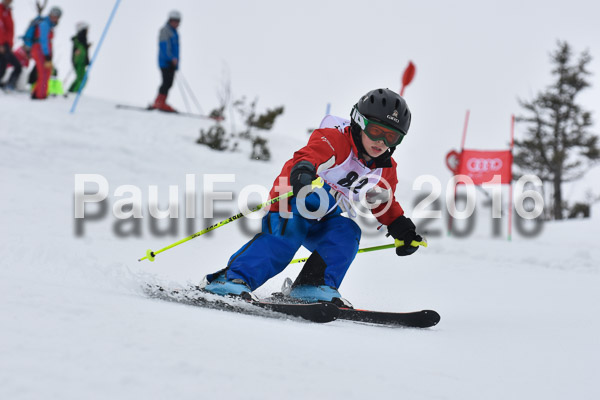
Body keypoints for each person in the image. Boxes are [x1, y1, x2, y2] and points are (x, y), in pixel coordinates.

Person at [201, 88, 424, 306]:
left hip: (324, 217)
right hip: (293, 204)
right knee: (286, 237)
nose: (382, 142)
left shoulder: (384, 169)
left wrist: (400, 227)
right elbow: (310, 155)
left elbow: (383, 201)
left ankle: (312, 285)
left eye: (391, 137)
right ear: (359, 122)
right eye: (376, 131)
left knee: (347, 233)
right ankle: (231, 279)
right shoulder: (335, 139)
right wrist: (303, 171)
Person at [151, 10, 180, 112]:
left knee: (169, 83)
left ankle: (162, 101)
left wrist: (175, 63)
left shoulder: (175, 33)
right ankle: (159, 102)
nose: (176, 23)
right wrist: (171, 58)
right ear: (170, 20)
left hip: (172, 63)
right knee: (166, 82)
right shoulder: (165, 31)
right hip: (165, 62)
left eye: (178, 21)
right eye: (174, 21)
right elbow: (164, 47)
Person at [30, 5, 61, 99]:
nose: (56, 19)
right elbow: (43, 40)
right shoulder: (45, 24)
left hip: (42, 50)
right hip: (40, 50)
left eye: (57, 17)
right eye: (55, 16)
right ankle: (40, 95)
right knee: (43, 72)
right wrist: (47, 55)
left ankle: (38, 92)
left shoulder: (48, 24)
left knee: (46, 72)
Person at [0, 0, 21, 91]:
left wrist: (11, 45)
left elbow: (9, 30)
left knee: (3, 66)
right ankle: (9, 85)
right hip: (2, 44)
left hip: (7, 44)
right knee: (17, 66)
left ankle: (6, 85)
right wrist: (1, 44)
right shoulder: (1, 10)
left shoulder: (7, 11)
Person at [68, 21, 90, 93]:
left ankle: (71, 91)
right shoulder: (79, 39)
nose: (87, 31)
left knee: (81, 77)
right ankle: (74, 91)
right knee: (82, 78)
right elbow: (79, 51)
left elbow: (83, 49)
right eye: (86, 29)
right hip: (79, 62)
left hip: (81, 62)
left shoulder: (82, 40)